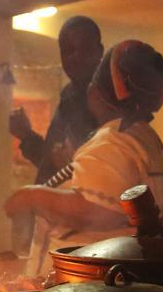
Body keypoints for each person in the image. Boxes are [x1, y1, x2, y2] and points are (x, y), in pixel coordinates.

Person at [4, 39, 163, 275]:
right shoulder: (143, 137)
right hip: (111, 279)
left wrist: (31, 195)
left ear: (96, 93)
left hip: (84, 286)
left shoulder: (113, 140)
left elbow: (96, 209)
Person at [9, 15, 102, 184]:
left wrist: (68, 166)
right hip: (53, 207)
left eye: (85, 49)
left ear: (99, 51)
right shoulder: (70, 95)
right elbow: (50, 165)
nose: (75, 57)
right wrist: (26, 135)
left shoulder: (106, 102)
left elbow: (106, 180)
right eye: (68, 51)